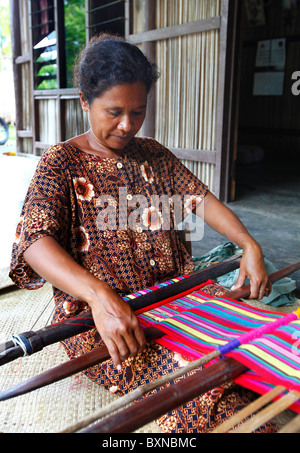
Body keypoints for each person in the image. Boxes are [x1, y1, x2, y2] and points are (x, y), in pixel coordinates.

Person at [10, 34, 274, 433]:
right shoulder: (60, 162)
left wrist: (249, 245)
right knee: (210, 387)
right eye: (114, 111)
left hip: (177, 297)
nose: (127, 124)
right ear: (85, 101)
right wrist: (101, 298)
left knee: (262, 345)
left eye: (138, 111)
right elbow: (34, 242)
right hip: (106, 322)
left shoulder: (153, 154)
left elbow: (199, 199)